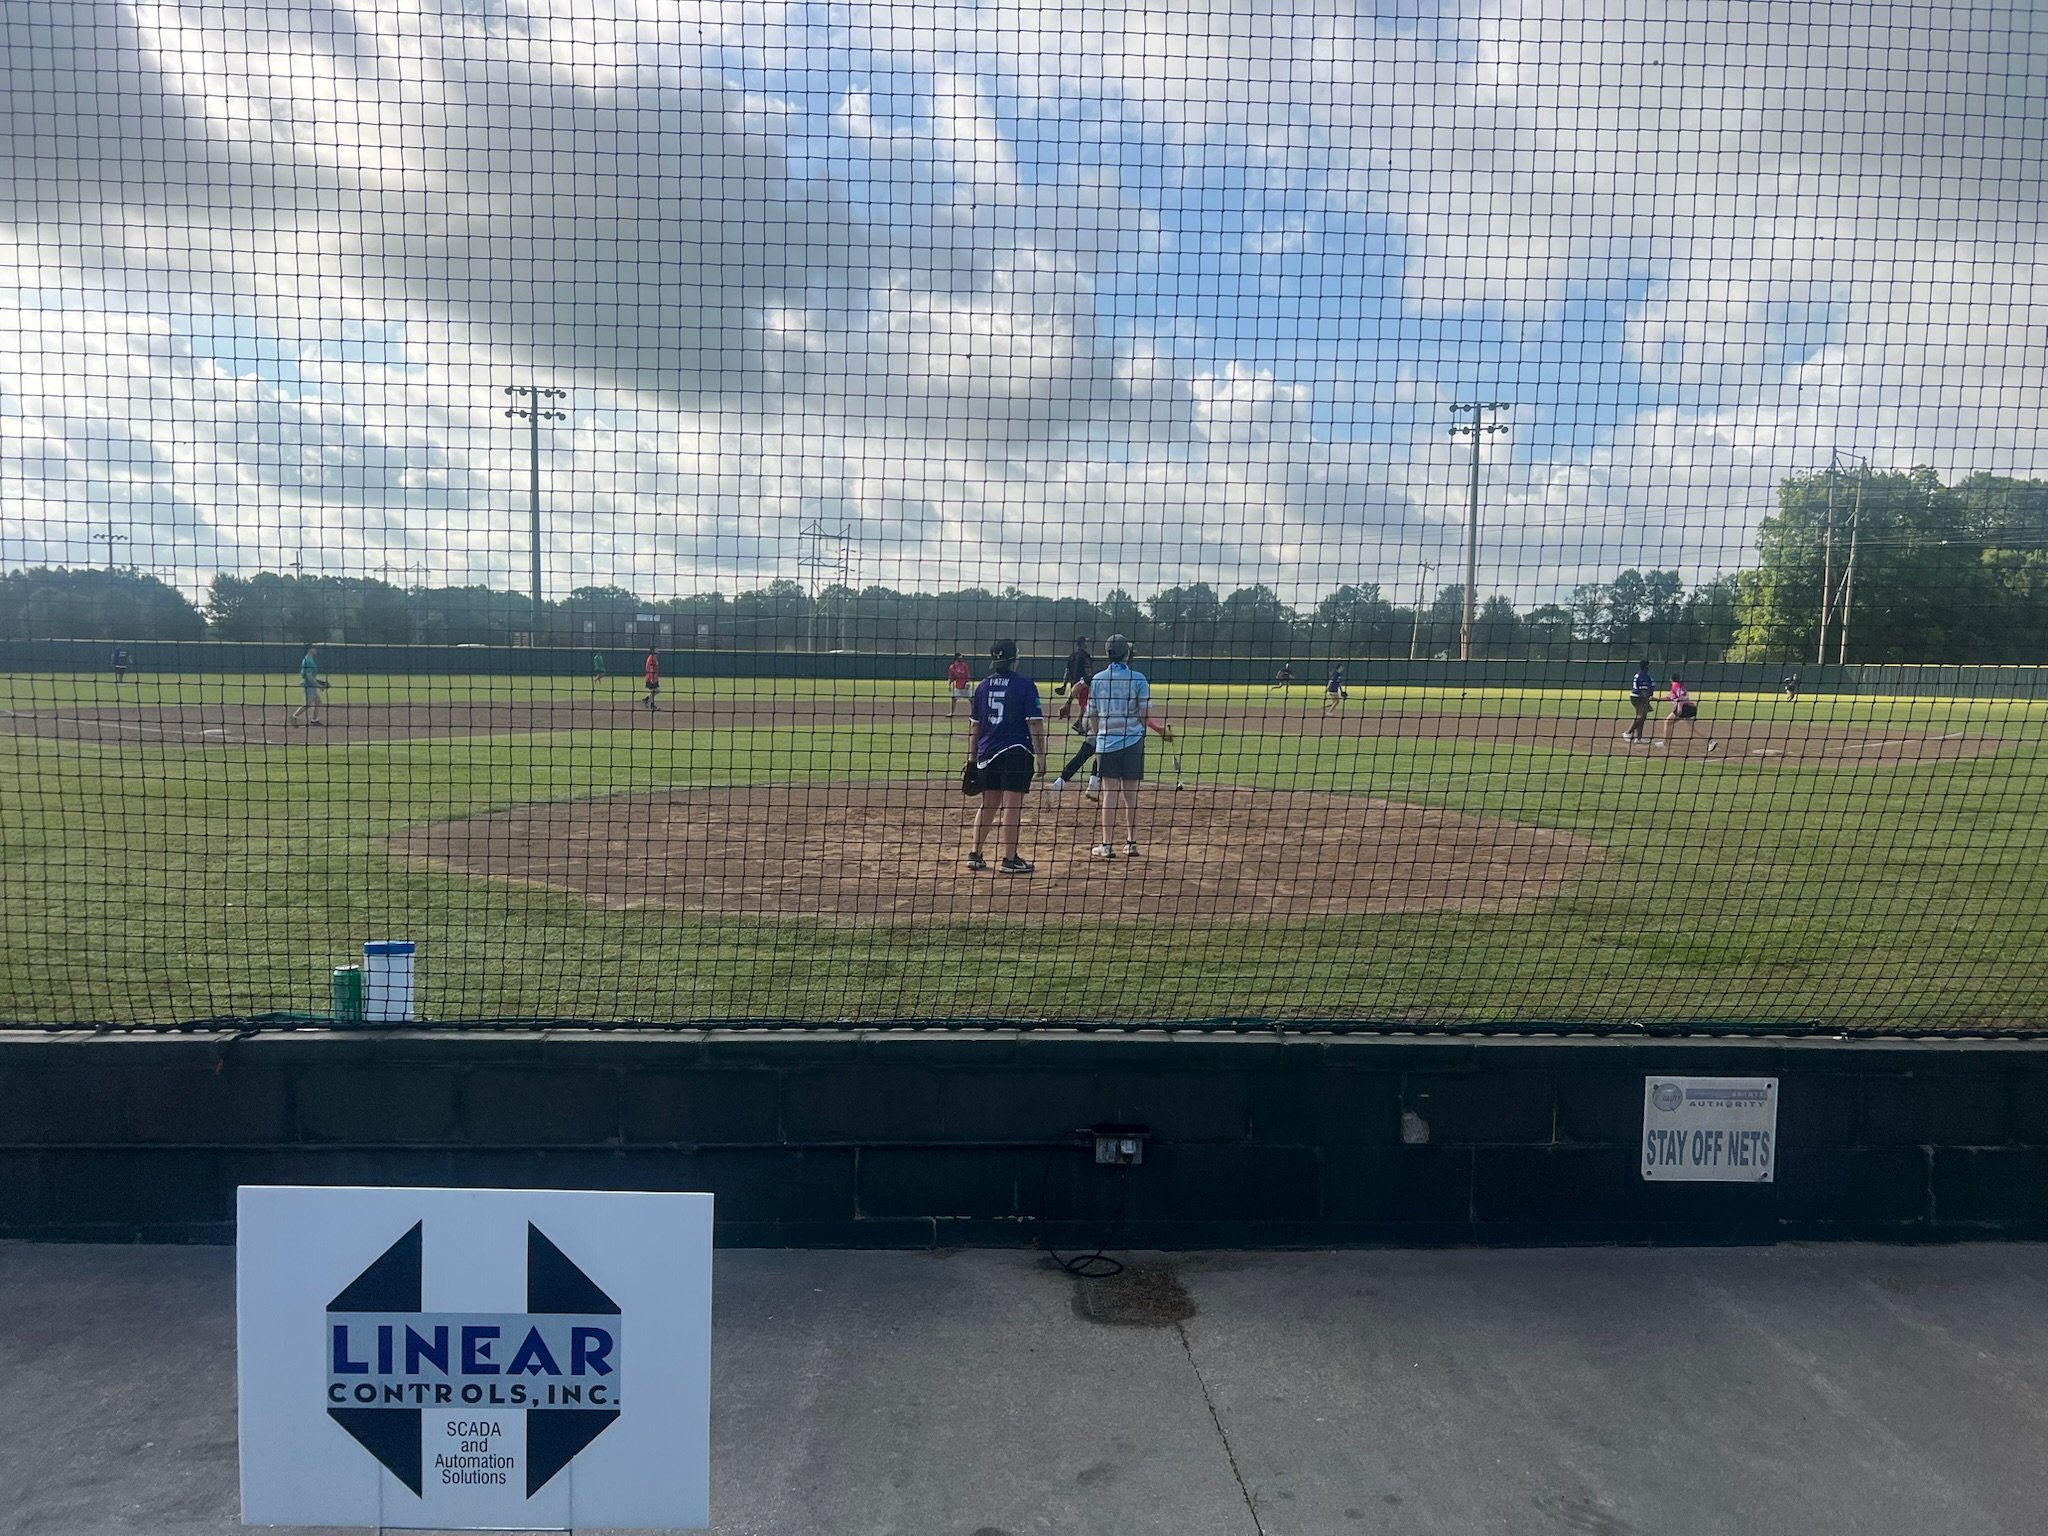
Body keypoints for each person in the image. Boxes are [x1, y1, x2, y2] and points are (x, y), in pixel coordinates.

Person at [965, 639, 1045, 874]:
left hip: (987, 753)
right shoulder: (1025, 685)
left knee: (988, 804)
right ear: (1014, 660)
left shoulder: (982, 686)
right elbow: (1035, 724)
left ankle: (975, 854)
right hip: (1016, 752)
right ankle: (1010, 859)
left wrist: (971, 759)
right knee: (1012, 806)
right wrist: (1042, 756)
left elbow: (975, 728)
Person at [1084, 634, 1152, 858]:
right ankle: (1132, 843)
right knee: (1130, 794)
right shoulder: (1139, 679)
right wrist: (1142, 732)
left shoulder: (1098, 679)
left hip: (1106, 743)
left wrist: (1098, 734)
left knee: (1109, 794)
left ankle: (1106, 845)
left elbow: (1092, 713)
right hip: (1132, 741)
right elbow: (1144, 714)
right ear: (1127, 653)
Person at [1656, 673, 1716, 753]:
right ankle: (1710, 741)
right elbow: (1669, 697)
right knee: (1692, 729)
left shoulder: (1675, 686)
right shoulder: (1679, 686)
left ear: (1671, 679)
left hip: (1685, 708)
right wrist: (1656, 699)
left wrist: (1680, 708)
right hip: (1691, 708)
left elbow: (1681, 697)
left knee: (1668, 722)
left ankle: (1665, 743)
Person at [1057, 634, 1094, 722]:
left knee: (1082, 705)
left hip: (1073, 685)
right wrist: (1091, 681)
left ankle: (1077, 723)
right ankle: (1079, 725)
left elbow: (1067, 672)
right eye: (1085, 642)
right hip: (1083, 685)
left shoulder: (1072, 656)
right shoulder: (1085, 656)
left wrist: (1064, 684)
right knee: (1085, 706)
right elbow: (1088, 671)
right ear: (1082, 643)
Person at [288, 644, 324, 725]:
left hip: (311, 685)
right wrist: (318, 685)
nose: (316, 650)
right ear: (310, 650)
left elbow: (311, 676)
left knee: (318, 701)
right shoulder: (307, 660)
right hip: (309, 685)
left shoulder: (310, 659)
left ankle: (314, 720)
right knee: (308, 704)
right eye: (314, 648)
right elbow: (309, 676)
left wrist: (319, 682)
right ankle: (293, 717)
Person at [1624, 658, 1655, 743]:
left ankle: (1639, 738)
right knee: (1641, 716)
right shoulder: (1643, 676)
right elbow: (1644, 691)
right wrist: (1647, 703)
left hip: (1638, 697)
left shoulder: (1641, 674)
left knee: (1642, 717)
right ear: (1646, 666)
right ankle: (1628, 733)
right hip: (1638, 698)